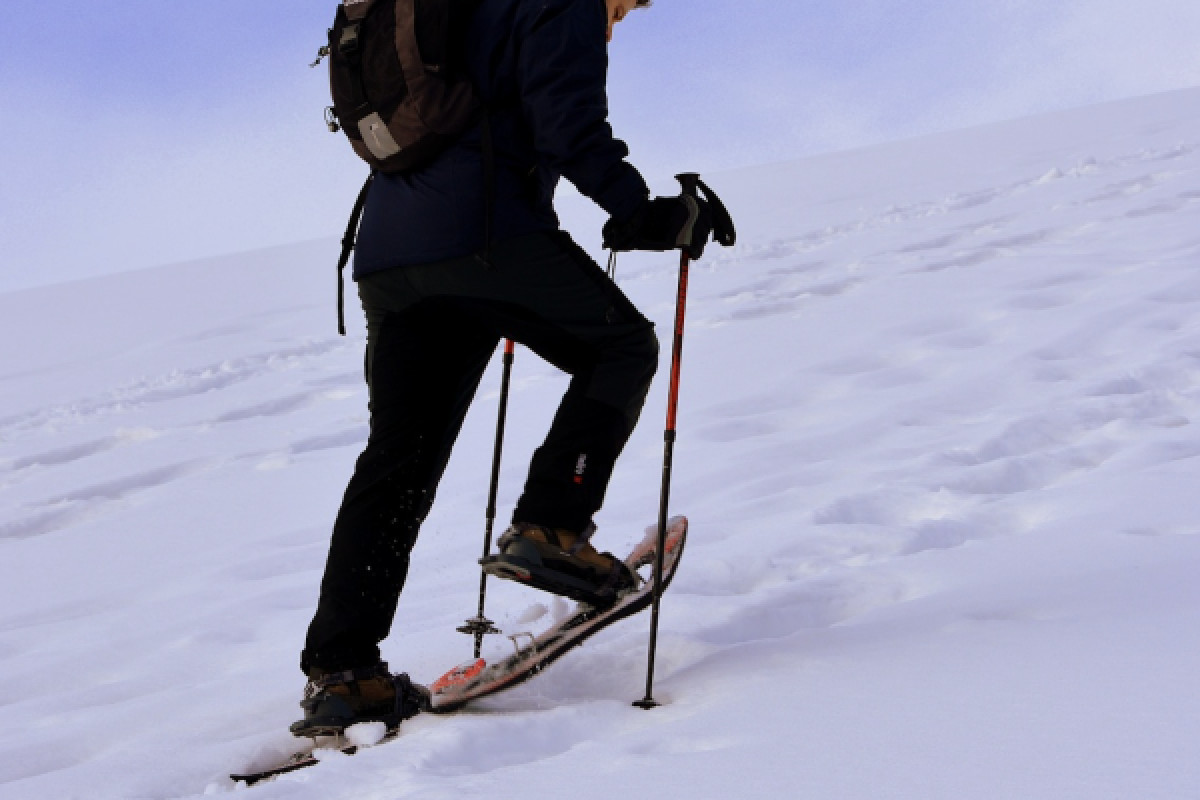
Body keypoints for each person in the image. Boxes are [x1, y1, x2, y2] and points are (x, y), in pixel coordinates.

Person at [293, 0, 712, 735]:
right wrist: (642, 210)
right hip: (484, 233)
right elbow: (568, 122)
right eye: (626, 3)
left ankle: (342, 671)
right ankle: (550, 529)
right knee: (622, 348)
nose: (617, 17)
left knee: (398, 461)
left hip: (389, 258)